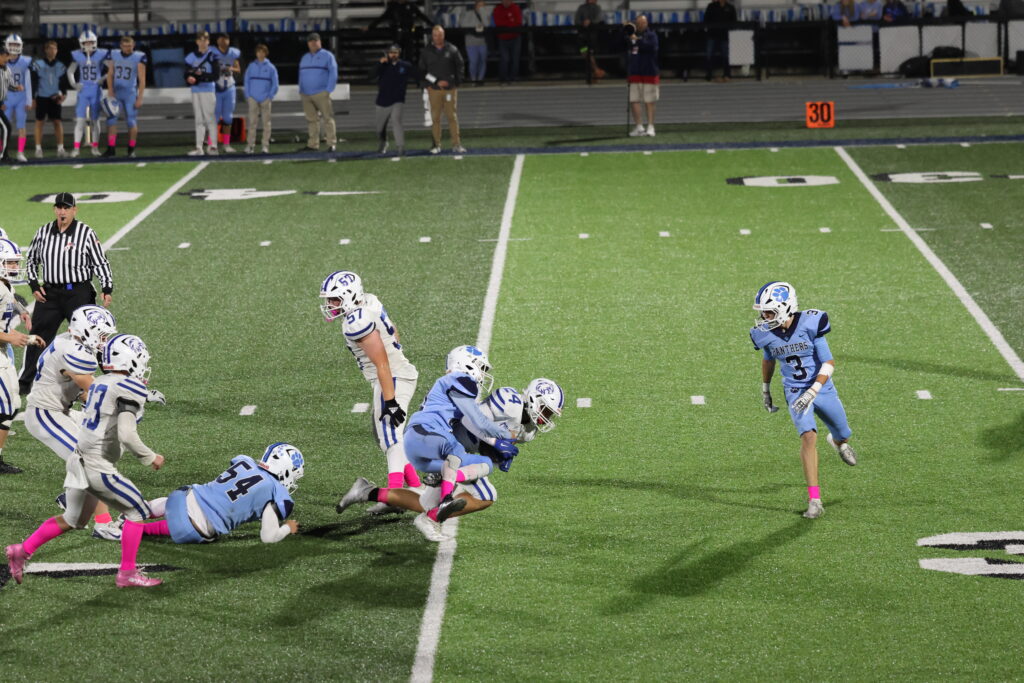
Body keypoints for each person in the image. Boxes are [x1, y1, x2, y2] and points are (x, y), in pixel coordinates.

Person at [5, 334, 167, 589]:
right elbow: (126, 433)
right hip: (97, 466)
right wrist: (150, 456)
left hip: (78, 461)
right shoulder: (129, 388)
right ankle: (127, 573)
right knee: (137, 512)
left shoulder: (99, 382)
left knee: (73, 520)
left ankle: (22, 550)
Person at [338, 345, 516, 528]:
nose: (483, 373)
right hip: (427, 434)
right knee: (460, 455)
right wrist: (505, 436)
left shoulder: (454, 383)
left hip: (424, 439)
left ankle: (367, 492)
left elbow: (468, 423)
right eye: (481, 367)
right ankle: (445, 498)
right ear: (466, 364)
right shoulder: (459, 379)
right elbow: (478, 422)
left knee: (433, 498)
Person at [112, 444, 302, 583]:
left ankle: (137, 513)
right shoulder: (276, 492)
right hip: (191, 530)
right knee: (200, 522)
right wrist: (288, 528)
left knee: (187, 500)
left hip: (180, 498)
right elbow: (268, 537)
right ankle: (141, 529)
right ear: (286, 470)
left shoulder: (245, 461)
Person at [749, 281, 858, 520]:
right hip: (795, 391)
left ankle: (838, 443)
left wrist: (813, 391)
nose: (764, 317)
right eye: (763, 312)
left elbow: (828, 363)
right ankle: (815, 499)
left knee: (843, 433)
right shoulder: (763, 334)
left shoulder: (811, 322)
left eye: (769, 312)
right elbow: (768, 359)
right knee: (808, 437)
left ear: (785, 308)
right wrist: (765, 389)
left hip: (822, 388)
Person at [319, 271, 420, 513]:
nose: (330, 304)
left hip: (391, 378)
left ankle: (394, 497)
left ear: (349, 295)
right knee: (385, 437)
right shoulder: (370, 301)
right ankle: (415, 488)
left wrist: (390, 401)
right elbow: (394, 332)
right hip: (395, 374)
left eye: (334, 299)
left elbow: (382, 363)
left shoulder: (357, 322)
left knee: (392, 440)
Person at [24, 305, 125, 540]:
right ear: (86, 331)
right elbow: (93, 389)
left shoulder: (70, 341)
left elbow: (83, 390)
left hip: (61, 411)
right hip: (45, 414)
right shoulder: (74, 351)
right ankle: (103, 524)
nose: (104, 340)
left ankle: (72, 496)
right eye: (101, 335)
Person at [19, 192, 114, 396]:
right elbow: (31, 260)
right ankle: (25, 383)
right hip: (50, 293)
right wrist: (34, 285)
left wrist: (107, 288)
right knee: (37, 336)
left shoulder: (85, 233)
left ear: (74, 210)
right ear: (55, 209)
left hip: (78, 292)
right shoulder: (43, 231)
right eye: (59, 207)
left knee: (92, 336)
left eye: (66, 208)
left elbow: (100, 262)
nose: (62, 211)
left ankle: (113, 378)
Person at [0, 237, 45, 475]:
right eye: (9, 262)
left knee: (12, 403)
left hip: (1, 350)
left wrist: (23, 313)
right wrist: (12, 338)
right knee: (7, 404)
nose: (15, 267)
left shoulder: (5, 284)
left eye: (16, 262)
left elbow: (11, 298)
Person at [419, 26, 466, 154]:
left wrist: (455, 82)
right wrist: (434, 82)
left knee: (452, 117)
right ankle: (436, 145)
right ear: (432, 36)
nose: (438, 37)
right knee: (435, 118)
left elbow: (460, 65)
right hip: (434, 90)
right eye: (436, 35)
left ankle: (456, 144)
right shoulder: (426, 52)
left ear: (444, 35)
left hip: (450, 89)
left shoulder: (452, 49)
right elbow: (422, 71)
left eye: (440, 35)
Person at [103, 35, 146, 158]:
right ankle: (111, 148)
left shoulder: (138, 56)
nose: (128, 48)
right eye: (125, 46)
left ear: (134, 45)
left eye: (130, 46)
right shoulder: (114, 54)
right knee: (111, 120)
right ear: (121, 46)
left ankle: (131, 149)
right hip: (117, 92)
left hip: (130, 93)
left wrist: (140, 97)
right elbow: (110, 73)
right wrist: (110, 90)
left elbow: (142, 79)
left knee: (131, 121)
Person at [67, 31, 108, 157]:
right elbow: (70, 71)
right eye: (86, 42)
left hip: (96, 90)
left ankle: (95, 147)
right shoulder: (77, 54)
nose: (89, 44)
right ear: (81, 43)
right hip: (83, 90)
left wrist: (103, 78)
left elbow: (112, 68)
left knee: (95, 121)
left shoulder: (102, 54)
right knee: (80, 120)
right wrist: (73, 84)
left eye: (91, 42)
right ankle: (76, 149)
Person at [298, 33, 338, 153]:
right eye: (311, 41)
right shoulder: (305, 57)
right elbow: (301, 74)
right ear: (308, 43)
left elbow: (333, 73)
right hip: (306, 94)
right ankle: (313, 144)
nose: (313, 43)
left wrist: (328, 90)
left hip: (321, 93)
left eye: (315, 41)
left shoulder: (327, 55)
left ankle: (331, 144)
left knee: (328, 118)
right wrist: (301, 89)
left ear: (320, 42)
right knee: (311, 120)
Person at [374, 44, 415, 156]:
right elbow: (370, 76)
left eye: (395, 52)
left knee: (397, 121)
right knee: (379, 128)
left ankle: (400, 147)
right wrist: (379, 64)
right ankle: (383, 141)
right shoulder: (382, 66)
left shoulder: (405, 65)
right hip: (382, 100)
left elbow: (420, 75)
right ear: (387, 54)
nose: (393, 55)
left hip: (398, 99)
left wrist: (434, 81)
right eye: (391, 53)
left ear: (399, 53)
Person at [365, 0, 434, 65]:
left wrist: (433, 25)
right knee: (397, 55)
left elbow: (421, 16)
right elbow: (382, 17)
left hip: (409, 35)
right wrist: (370, 26)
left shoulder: (411, 5)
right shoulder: (393, 6)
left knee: (409, 55)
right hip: (397, 35)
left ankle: (408, 70)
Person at [30, 40, 68, 159]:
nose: (53, 51)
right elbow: (34, 82)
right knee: (39, 122)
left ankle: (60, 148)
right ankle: (38, 149)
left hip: (55, 97)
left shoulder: (60, 65)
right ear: (46, 50)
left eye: (55, 48)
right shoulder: (38, 64)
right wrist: (33, 97)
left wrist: (63, 94)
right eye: (50, 48)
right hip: (42, 96)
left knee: (57, 122)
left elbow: (63, 82)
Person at [623, 15, 659, 137]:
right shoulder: (631, 35)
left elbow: (650, 47)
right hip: (635, 71)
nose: (640, 25)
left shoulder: (652, 35)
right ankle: (639, 127)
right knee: (634, 99)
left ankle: (650, 126)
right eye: (638, 23)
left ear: (647, 23)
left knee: (649, 100)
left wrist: (636, 40)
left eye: (643, 23)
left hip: (649, 72)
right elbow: (620, 44)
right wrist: (626, 29)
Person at [185, 30, 219, 156]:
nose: (203, 42)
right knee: (199, 120)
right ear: (197, 41)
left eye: (205, 40)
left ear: (208, 41)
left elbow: (215, 75)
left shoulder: (213, 56)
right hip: (195, 90)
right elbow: (186, 73)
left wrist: (199, 77)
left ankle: (213, 146)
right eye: (200, 40)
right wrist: (189, 78)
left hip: (208, 90)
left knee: (210, 118)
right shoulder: (191, 56)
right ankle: (199, 147)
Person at [243, 43, 278, 155]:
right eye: (259, 52)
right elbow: (246, 81)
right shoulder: (251, 66)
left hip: (265, 99)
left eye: (263, 52)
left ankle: (265, 146)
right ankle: (250, 146)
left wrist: (270, 96)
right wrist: (248, 95)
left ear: (266, 53)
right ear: (256, 53)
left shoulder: (271, 67)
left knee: (266, 123)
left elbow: (275, 84)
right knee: (252, 123)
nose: (260, 54)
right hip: (252, 98)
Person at [4, 35, 33, 163]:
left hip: (21, 97)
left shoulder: (25, 61)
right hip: (6, 97)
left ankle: (20, 152)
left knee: (21, 125)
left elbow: (28, 81)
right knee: (3, 126)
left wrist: (29, 100)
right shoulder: (2, 60)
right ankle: (3, 152)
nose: (14, 47)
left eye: (16, 45)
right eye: (12, 44)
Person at [212, 33, 241, 153]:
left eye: (226, 39)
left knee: (228, 117)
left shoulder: (233, 53)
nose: (223, 42)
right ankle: (212, 144)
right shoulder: (212, 53)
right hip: (216, 87)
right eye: (221, 39)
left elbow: (238, 69)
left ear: (229, 41)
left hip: (229, 86)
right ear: (217, 41)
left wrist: (230, 69)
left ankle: (226, 144)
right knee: (214, 117)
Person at [704, 0, 737, 82]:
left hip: (725, 36)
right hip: (712, 35)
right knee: (709, 55)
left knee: (726, 55)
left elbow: (734, 21)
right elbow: (706, 19)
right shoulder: (711, 6)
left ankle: (727, 74)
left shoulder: (730, 7)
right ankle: (709, 75)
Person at [576, 0, 607, 84]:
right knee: (585, 52)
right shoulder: (581, 8)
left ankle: (595, 72)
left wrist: (590, 22)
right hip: (583, 38)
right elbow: (577, 20)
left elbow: (598, 19)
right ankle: (596, 71)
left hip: (594, 37)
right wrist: (583, 23)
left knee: (590, 53)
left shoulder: (597, 8)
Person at [492, 0, 523, 84]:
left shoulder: (516, 8)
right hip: (503, 38)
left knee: (515, 59)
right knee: (505, 59)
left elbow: (518, 22)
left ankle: (513, 78)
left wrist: (506, 23)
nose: (506, 2)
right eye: (504, 0)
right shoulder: (497, 9)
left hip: (515, 37)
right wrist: (510, 20)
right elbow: (498, 23)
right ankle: (503, 79)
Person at [460, 0, 489, 85]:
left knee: (482, 61)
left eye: (483, 6)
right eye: (480, 6)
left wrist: (482, 12)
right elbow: (463, 25)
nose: (481, 8)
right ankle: (473, 79)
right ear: (475, 6)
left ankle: (480, 79)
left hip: (482, 41)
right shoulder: (469, 14)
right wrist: (475, 27)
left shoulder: (486, 13)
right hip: (471, 41)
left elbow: (487, 24)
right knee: (473, 61)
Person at [0, 45, 13, 162]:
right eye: (4, 56)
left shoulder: (7, 69)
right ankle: (3, 156)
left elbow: (9, 85)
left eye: (7, 56)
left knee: (6, 127)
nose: (6, 58)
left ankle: (4, 155)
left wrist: (17, 87)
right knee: (6, 127)